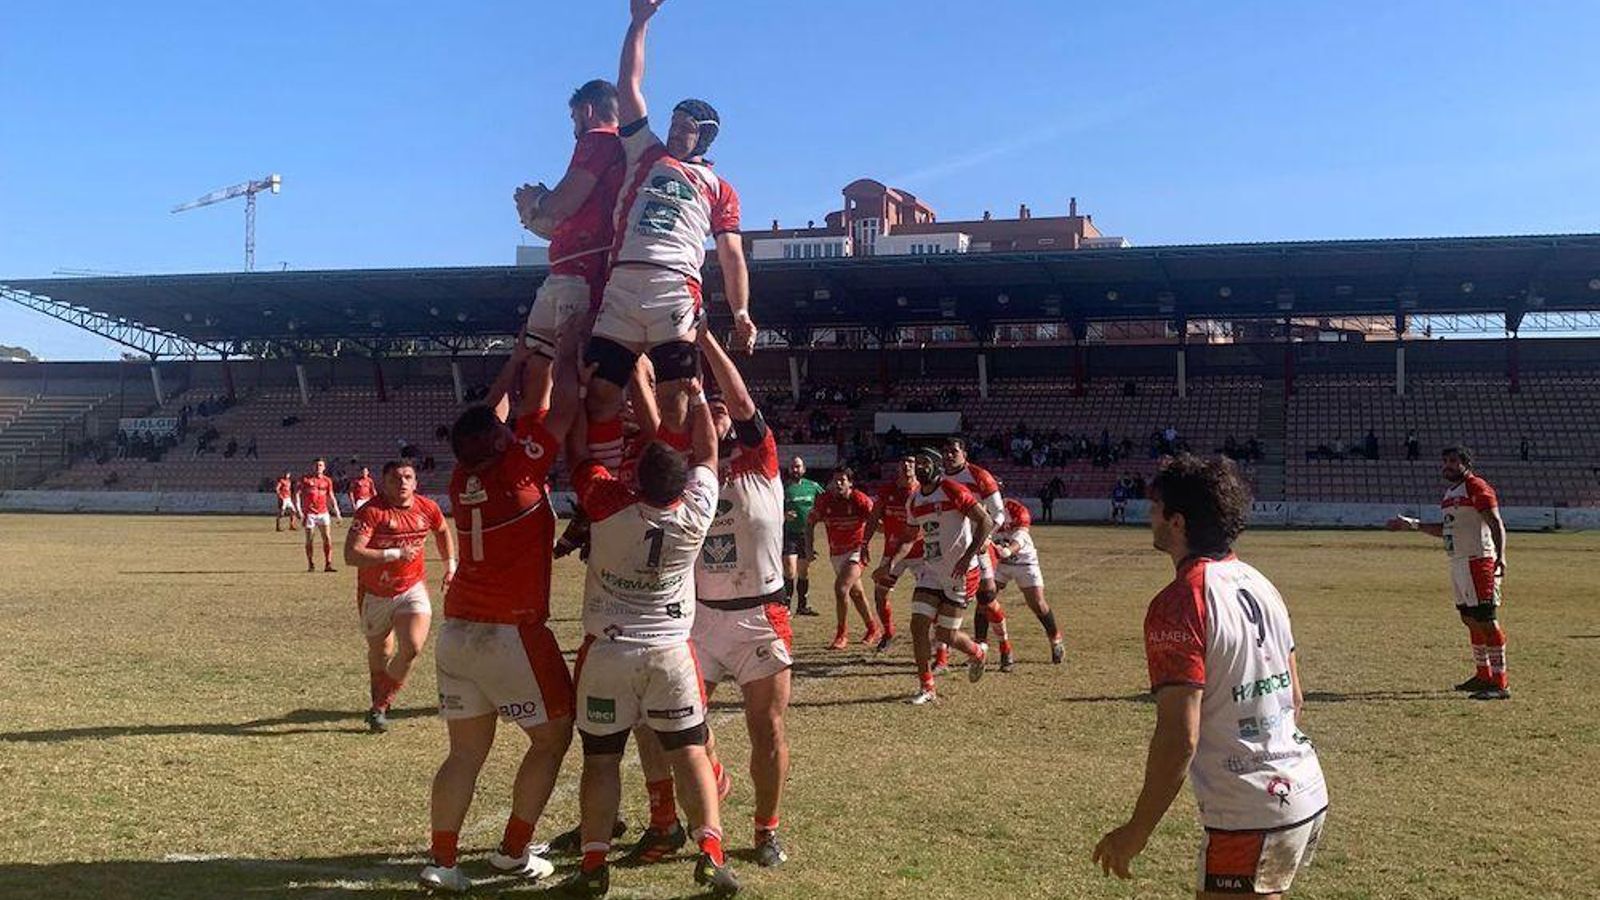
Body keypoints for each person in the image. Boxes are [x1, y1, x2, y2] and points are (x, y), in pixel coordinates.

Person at [1093, 454, 1328, 896]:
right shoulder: (1259, 582)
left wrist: (1137, 830)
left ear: (1177, 522)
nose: (1150, 516)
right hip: (1302, 790)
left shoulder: (1182, 601)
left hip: (1251, 808)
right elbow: (1295, 698)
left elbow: (1180, 737)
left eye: (1156, 507)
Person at [419, 333, 586, 893]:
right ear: (495, 443)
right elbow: (561, 409)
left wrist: (516, 363)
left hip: (458, 630)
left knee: (464, 753)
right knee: (553, 736)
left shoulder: (462, 476)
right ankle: (514, 849)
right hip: (510, 631)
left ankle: (442, 860)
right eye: (501, 429)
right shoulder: (519, 472)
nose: (508, 428)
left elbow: (485, 419)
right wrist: (566, 353)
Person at [561, 376, 740, 898]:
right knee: (689, 753)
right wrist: (700, 395)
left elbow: (579, 452)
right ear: (681, 485)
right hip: (669, 653)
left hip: (609, 653)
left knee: (600, 760)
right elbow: (707, 449)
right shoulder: (696, 510)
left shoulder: (607, 503)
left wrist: (582, 403)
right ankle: (711, 854)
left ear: (634, 477)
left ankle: (594, 865)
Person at [628, 329, 794, 870]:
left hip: (758, 616)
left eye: (724, 412)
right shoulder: (686, 473)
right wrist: (642, 361)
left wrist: (705, 342)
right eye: (711, 411)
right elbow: (655, 421)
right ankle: (705, 784)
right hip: (697, 619)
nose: (720, 415)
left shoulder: (758, 460)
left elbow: (742, 402)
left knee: (765, 729)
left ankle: (766, 829)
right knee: (667, 723)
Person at [581, 0, 757, 475]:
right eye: (675, 124)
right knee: (599, 392)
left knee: (675, 401)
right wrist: (638, 22)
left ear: (705, 139)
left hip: (674, 287)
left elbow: (732, 255)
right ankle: (608, 488)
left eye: (688, 129)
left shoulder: (720, 188)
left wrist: (740, 310)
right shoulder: (645, 150)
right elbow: (629, 86)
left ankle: (665, 492)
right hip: (623, 283)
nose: (677, 132)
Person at [514, 78, 627, 407]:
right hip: (571, 263)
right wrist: (537, 213)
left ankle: (547, 440)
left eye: (574, 119)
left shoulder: (598, 140)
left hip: (581, 270)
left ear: (586, 111)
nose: (574, 129)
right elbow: (571, 218)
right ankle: (541, 436)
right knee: (537, 360)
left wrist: (536, 202)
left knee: (559, 361)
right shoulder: (622, 149)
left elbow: (563, 203)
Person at [1386, 446, 1509, 700]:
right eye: (1444, 461)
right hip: (1459, 562)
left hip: (1479, 560)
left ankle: (1500, 683)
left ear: (1466, 463)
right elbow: (1447, 529)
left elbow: (1495, 521)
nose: (1447, 465)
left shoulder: (1476, 486)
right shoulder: (1450, 494)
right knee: (1469, 619)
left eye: (1453, 461)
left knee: (1486, 618)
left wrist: (1501, 556)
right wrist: (1413, 525)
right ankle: (1483, 675)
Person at [343, 460, 454, 733]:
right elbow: (351, 555)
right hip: (375, 593)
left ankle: (381, 705)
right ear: (384, 482)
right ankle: (378, 696)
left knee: (412, 647)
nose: (402, 482)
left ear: (416, 482)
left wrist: (450, 565)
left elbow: (442, 530)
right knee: (382, 651)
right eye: (395, 478)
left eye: (407, 477)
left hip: (411, 589)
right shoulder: (371, 512)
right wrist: (394, 553)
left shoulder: (427, 508)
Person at [889, 449, 993, 705]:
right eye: (918, 463)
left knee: (946, 636)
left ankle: (978, 652)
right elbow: (910, 537)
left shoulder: (952, 489)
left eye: (926, 463)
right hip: (931, 572)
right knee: (918, 626)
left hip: (961, 574)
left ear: (936, 467)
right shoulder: (914, 501)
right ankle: (927, 686)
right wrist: (890, 564)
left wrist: (967, 557)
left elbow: (985, 521)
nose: (921, 467)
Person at [942, 436, 1013, 670]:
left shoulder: (980, 476)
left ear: (965, 454)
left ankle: (1004, 646)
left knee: (987, 598)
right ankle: (944, 656)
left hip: (977, 546)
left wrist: (986, 537)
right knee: (939, 597)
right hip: (947, 547)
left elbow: (999, 514)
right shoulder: (938, 478)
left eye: (954, 451)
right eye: (945, 451)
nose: (949, 455)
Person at [807, 467, 879, 650]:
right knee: (856, 593)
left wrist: (897, 532)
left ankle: (842, 634)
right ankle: (873, 628)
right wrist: (808, 548)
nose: (838, 484)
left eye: (842, 480)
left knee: (841, 589)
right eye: (835, 480)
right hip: (836, 554)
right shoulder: (825, 501)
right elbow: (810, 523)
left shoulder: (859, 500)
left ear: (850, 483)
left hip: (856, 551)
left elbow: (875, 522)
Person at [992, 497, 1065, 665]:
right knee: (985, 599)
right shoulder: (979, 508)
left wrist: (1008, 550)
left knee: (1037, 603)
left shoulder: (1016, 509)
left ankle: (1055, 639)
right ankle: (981, 644)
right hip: (998, 561)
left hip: (1023, 560)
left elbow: (1020, 538)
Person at [865, 452, 923, 652]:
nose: (908, 465)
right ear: (898, 466)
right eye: (904, 461)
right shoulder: (887, 490)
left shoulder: (923, 491)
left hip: (920, 554)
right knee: (880, 593)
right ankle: (888, 633)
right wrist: (864, 543)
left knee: (930, 598)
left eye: (912, 461)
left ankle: (939, 644)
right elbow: (873, 518)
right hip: (892, 552)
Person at [782, 457, 825, 616]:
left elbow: (826, 502)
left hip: (806, 535)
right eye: (792, 467)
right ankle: (785, 606)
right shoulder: (782, 487)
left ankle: (802, 606)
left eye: (798, 466)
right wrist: (783, 514)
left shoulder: (813, 486)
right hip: (788, 533)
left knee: (803, 571)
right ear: (789, 469)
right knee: (789, 569)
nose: (795, 469)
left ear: (804, 469)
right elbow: (771, 507)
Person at [297, 458, 342, 572]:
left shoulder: (327, 481)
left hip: (323, 512)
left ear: (324, 467)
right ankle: (311, 564)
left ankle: (328, 564)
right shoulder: (306, 479)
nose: (318, 467)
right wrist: (299, 510)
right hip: (310, 514)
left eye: (321, 465)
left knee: (327, 538)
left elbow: (331, 496)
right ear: (313, 467)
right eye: (316, 465)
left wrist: (337, 512)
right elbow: (297, 494)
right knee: (310, 540)